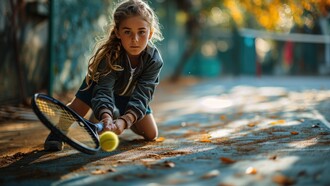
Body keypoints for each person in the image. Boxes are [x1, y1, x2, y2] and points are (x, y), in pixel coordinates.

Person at [44, 0, 164, 151]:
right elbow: (104, 91)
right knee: (77, 107)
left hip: (130, 96)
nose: (135, 39)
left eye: (141, 32)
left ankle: (110, 114)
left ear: (150, 33)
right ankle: (58, 132)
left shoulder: (154, 60)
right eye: (127, 31)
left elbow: (143, 95)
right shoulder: (110, 56)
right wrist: (106, 117)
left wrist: (125, 121)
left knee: (151, 134)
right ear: (118, 32)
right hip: (98, 87)